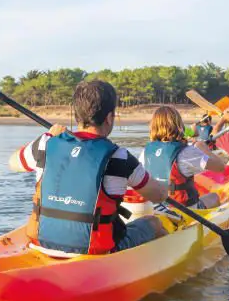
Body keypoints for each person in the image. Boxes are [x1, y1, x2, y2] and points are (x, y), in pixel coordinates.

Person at [9, 79, 169, 256]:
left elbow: (13, 162)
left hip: (41, 243)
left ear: (76, 114)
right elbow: (159, 196)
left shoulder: (45, 144)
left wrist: (48, 135)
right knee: (153, 223)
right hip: (95, 251)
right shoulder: (120, 157)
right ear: (109, 118)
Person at [141, 106, 229, 209]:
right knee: (214, 197)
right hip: (183, 209)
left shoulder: (146, 151)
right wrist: (204, 149)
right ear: (178, 125)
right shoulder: (186, 152)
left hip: (156, 207)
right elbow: (221, 167)